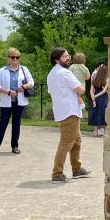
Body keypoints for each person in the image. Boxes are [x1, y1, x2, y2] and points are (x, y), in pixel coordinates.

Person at [46, 47, 90, 182]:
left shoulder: (52, 73)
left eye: (68, 56)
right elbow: (81, 89)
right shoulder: (65, 73)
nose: (68, 58)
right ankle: (57, 173)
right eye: (65, 56)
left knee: (76, 141)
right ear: (57, 59)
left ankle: (77, 169)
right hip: (69, 111)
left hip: (62, 111)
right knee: (66, 143)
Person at [0, 48, 34, 154]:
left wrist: (24, 86)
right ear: (8, 58)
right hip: (6, 101)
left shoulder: (24, 69)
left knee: (16, 123)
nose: (15, 59)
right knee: (3, 123)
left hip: (20, 101)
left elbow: (31, 82)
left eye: (17, 57)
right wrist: (8, 92)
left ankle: (15, 146)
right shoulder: (2, 70)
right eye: (13, 57)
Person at [87, 63, 109, 138]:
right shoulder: (107, 80)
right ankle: (106, 132)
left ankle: (96, 132)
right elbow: (104, 91)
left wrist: (93, 97)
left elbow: (91, 90)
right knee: (103, 114)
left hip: (95, 99)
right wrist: (95, 96)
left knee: (95, 113)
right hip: (103, 98)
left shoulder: (94, 79)